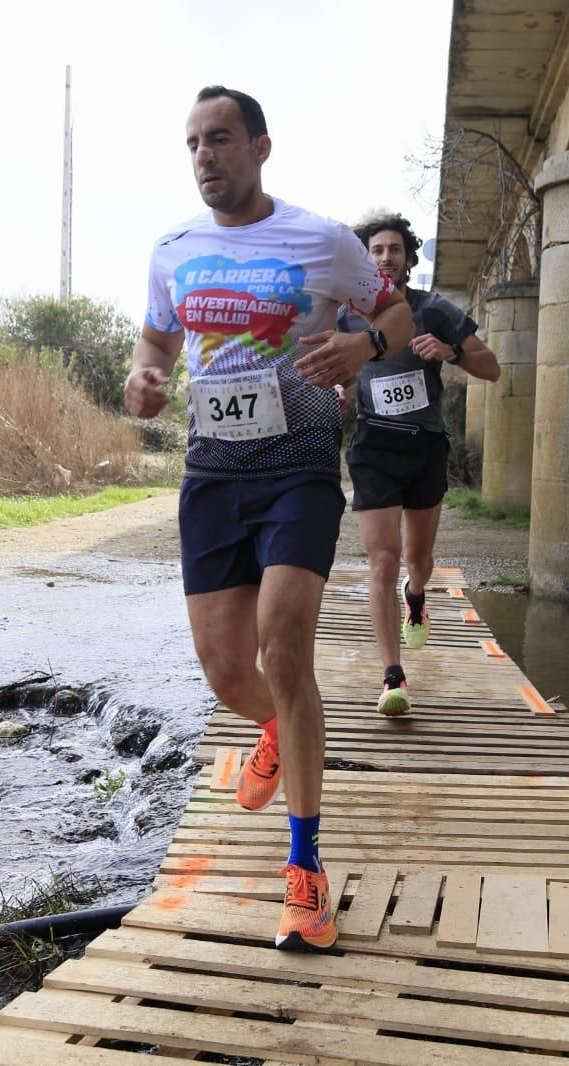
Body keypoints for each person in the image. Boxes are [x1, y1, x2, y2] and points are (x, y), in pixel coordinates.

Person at [126, 86, 412, 950]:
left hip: (299, 467)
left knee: (285, 644)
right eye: (192, 144)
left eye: (219, 139)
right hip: (213, 472)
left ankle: (305, 869)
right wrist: (142, 378)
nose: (204, 156)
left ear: (260, 147)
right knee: (227, 672)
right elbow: (157, 344)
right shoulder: (173, 250)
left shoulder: (321, 240)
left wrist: (365, 344)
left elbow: (393, 315)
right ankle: (272, 732)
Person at [338, 214, 500, 716]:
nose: (385, 257)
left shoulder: (434, 310)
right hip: (373, 449)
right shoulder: (346, 316)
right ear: (365, 259)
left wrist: (450, 352)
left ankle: (417, 594)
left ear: (409, 259)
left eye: (394, 249)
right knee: (381, 560)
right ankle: (392, 677)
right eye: (376, 250)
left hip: (425, 447)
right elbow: (330, 370)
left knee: (417, 561)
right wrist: (339, 388)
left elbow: (491, 366)